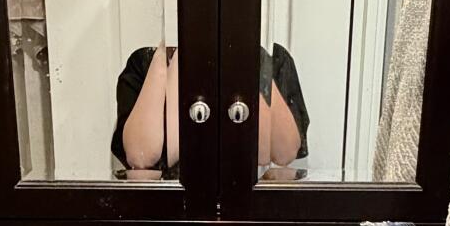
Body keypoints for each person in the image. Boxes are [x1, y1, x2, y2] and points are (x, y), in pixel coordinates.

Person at [111, 44, 309, 178]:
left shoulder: (272, 60)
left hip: (247, 223)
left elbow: (282, 154)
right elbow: (141, 157)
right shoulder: (144, 64)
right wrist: (168, 54)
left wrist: (241, 52)